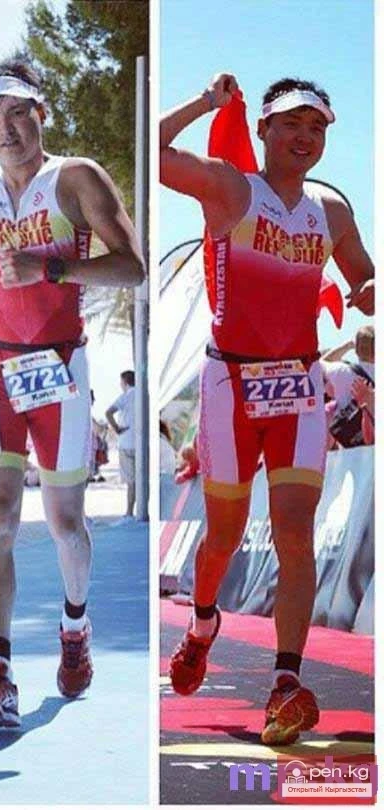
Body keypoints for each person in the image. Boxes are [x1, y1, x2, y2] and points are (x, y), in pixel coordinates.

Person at [0, 60, 145, 727]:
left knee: (65, 524)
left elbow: (132, 267)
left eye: (17, 113)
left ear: (40, 113)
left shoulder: (76, 178)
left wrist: (52, 268)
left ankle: (75, 626)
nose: (6, 129)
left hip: (61, 366)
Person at [160, 74, 374, 744]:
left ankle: (285, 682)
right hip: (230, 384)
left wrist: (369, 289)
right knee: (223, 536)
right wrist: (204, 103)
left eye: (316, 128)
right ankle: (203, 622)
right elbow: (154, 152)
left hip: (300, 387)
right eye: (291, 124)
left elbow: (364, 274)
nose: (304, 138)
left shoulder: (331, 209)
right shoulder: (230, 187)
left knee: (295, 532)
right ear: (264, 129)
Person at [322, 324, 374, 448]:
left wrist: (347, 346)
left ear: (356, 350)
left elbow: (320, 363)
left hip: (352, 446)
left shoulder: (341, 371)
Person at [106, 370, 137, 518]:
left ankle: (129, 512)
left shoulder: (126, 396)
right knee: (143, 480)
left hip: (126, 442)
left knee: (131, 481)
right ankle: (143, 511)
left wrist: (117, 428)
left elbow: (108, 412)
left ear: (125, 382)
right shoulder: (145, 394)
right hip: (142, 443)